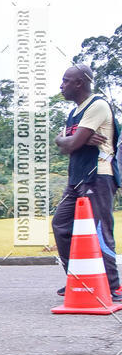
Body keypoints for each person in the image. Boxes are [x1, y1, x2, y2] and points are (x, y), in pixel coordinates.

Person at [52, 64, 122, 301]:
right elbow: (63, 145)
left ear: (79, 83)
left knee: (101, 231)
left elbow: (69, 145)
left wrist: (69, 141)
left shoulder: (98, 105)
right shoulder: (73, 113)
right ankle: (77, 278)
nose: (61, 86)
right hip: (76, 179)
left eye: (65, 81)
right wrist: (67, 139)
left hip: (98, 176)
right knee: (61, 225)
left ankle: (113, 286)